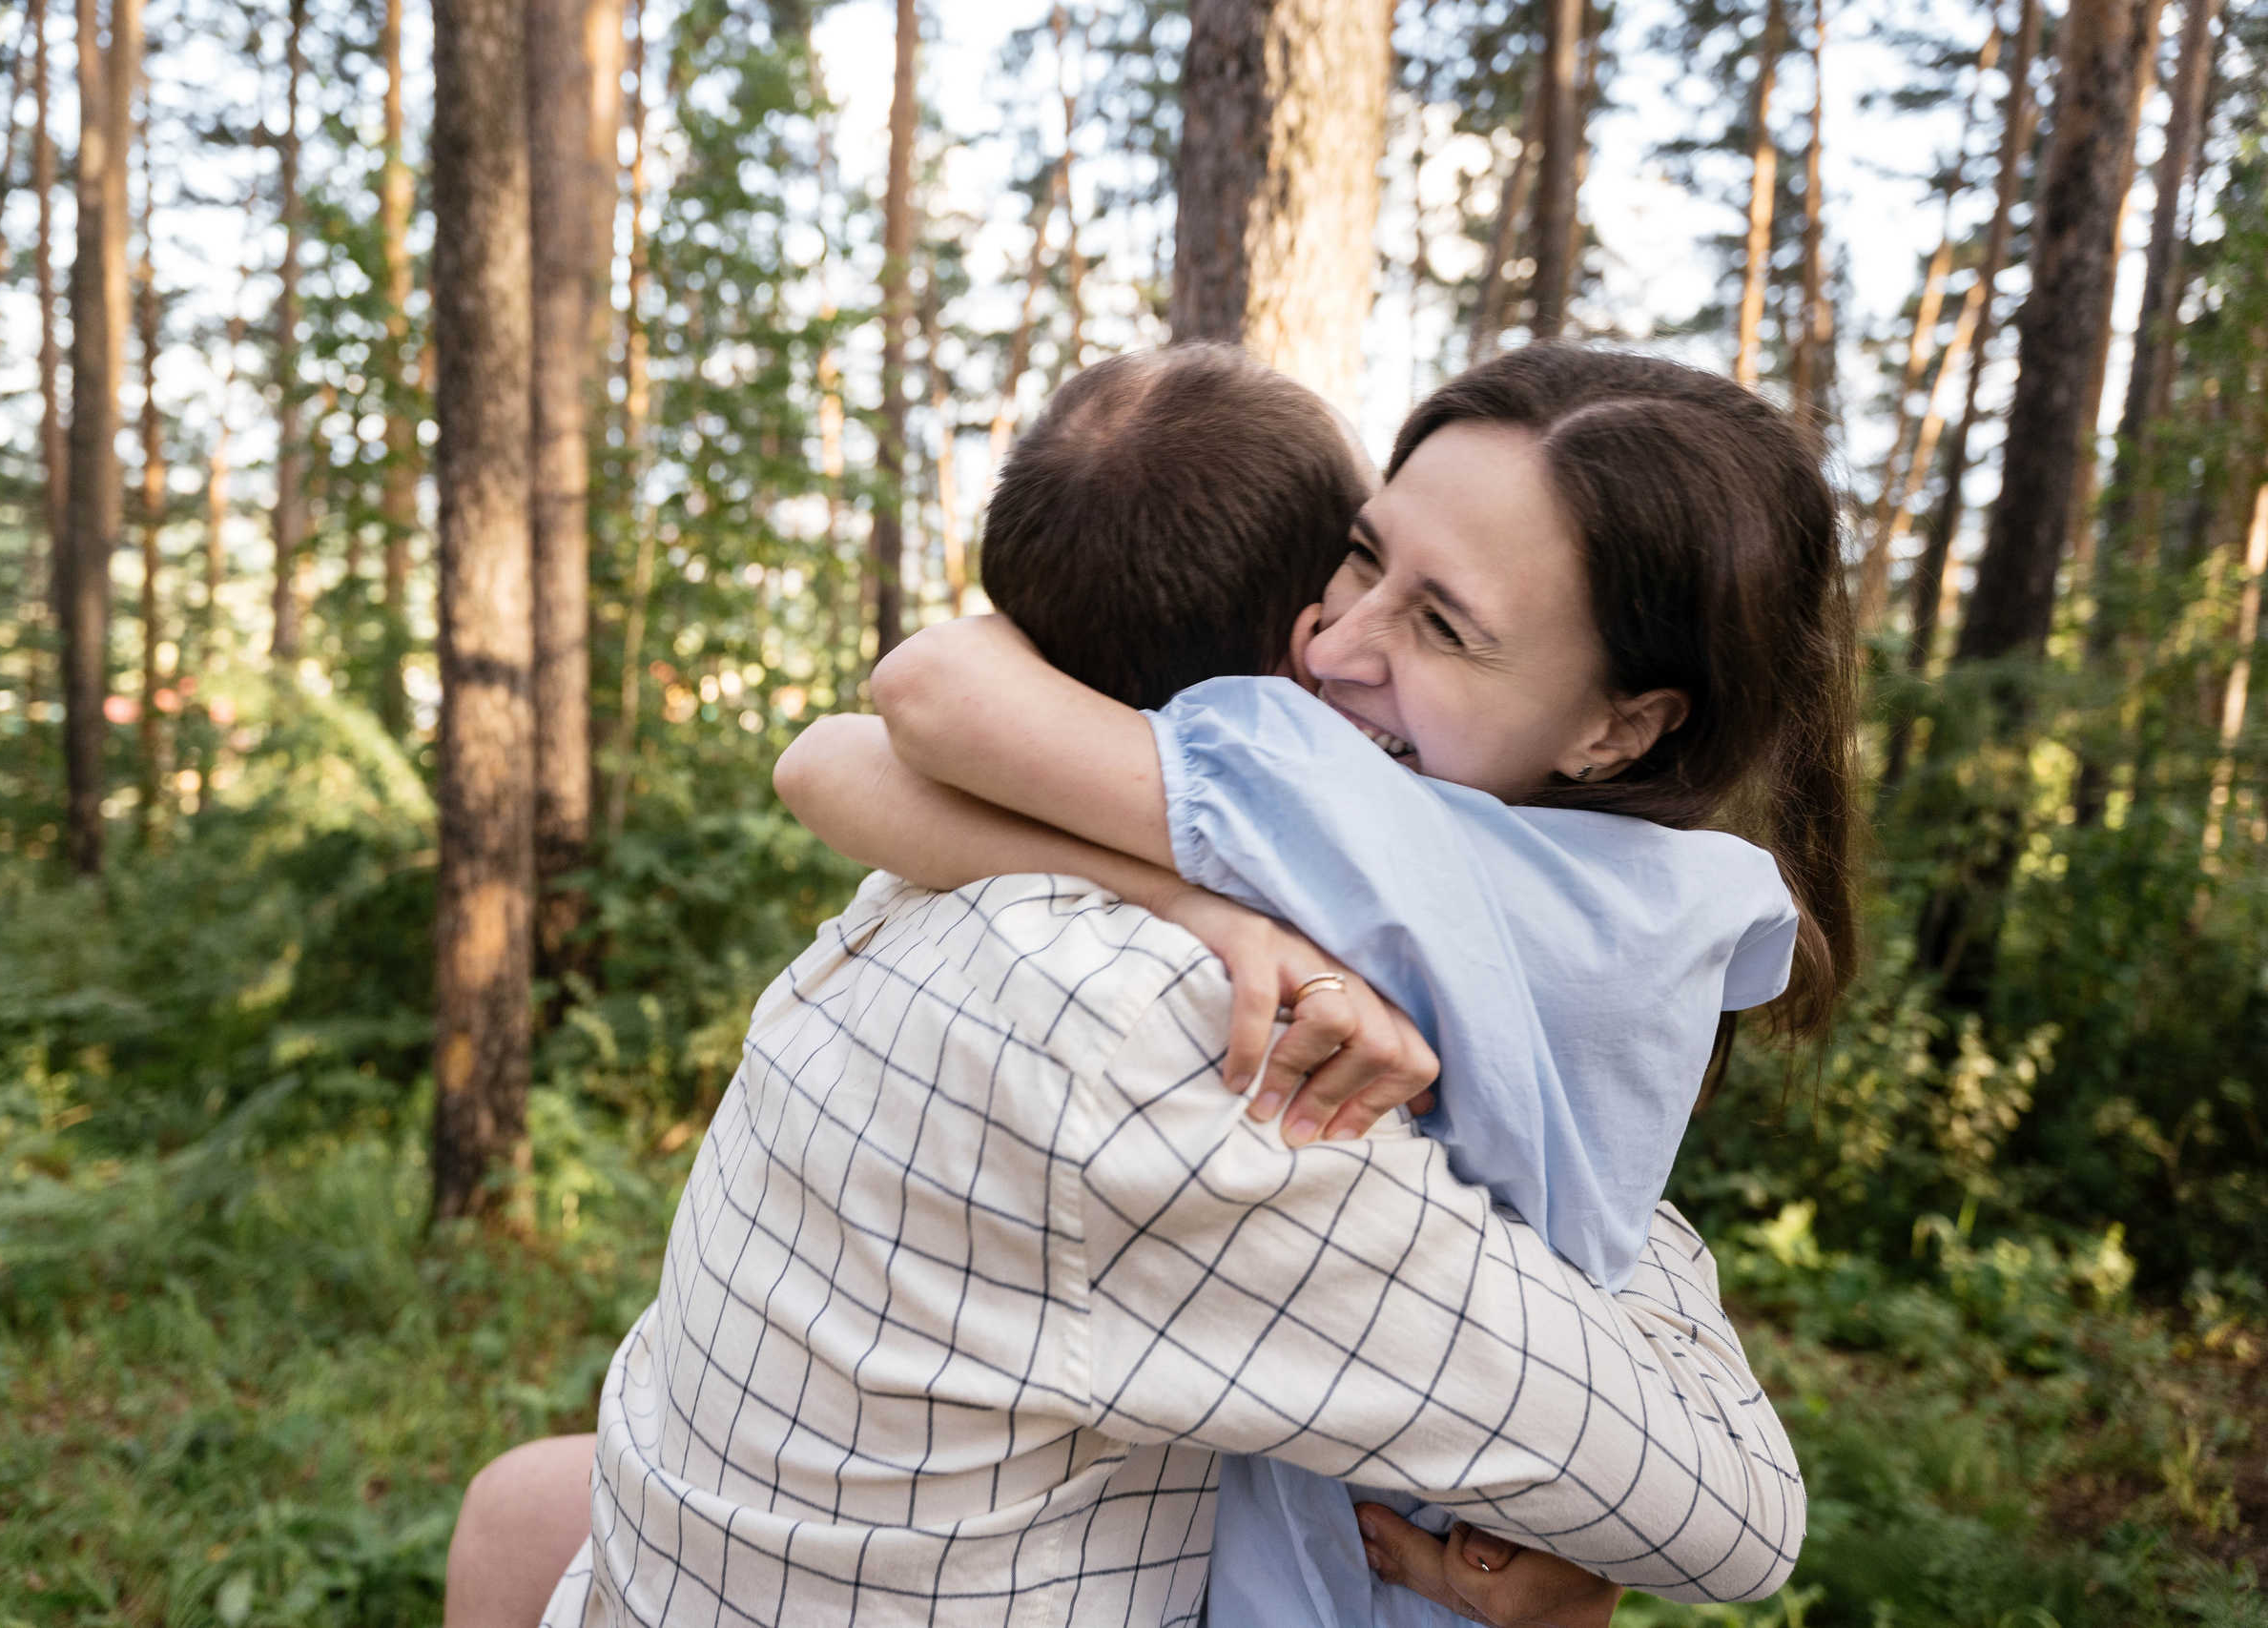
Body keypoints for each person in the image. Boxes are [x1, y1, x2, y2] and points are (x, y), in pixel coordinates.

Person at [444, 346, 1809, 1628]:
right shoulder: (1212, 1018)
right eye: (1361, 558)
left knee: (526, 1500)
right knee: (524, 1504)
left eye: (1447, 625)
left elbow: (858, 743)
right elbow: (1737, 1518)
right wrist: (1212, 916)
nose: (1333, 649)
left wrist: (1542, 1084)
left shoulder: (1103, 846)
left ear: (1624, 723)